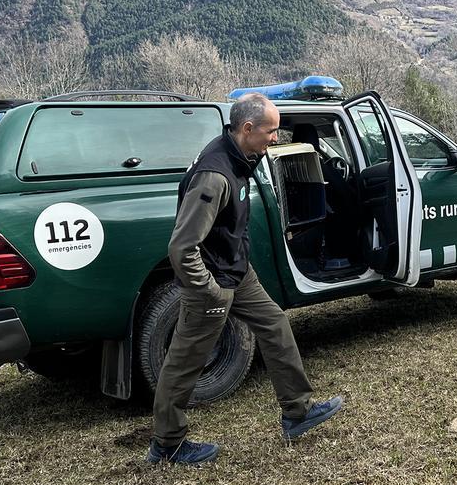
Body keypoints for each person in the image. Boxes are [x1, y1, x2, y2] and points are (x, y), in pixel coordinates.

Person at [146, 93, 343, 465]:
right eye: (271, 131)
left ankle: (297, 412)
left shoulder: (239, 155)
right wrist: (208, 290)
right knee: (186, 360)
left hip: (237, 270)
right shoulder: (215, 174)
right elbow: (182, 246)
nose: (275, 138)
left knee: (275, 324)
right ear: (248, 128)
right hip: (214, 282)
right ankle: (167, 443)